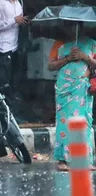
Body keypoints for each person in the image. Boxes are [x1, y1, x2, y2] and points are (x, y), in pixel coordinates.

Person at [47, 22, 96, 172]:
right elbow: (50, 66)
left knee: (83, 122)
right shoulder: (59, 43)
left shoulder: (91, 44)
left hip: (82, 88)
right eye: (70, 26)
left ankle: (84, 160)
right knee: (64, 122)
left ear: (81, 27)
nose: (73, 29)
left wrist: (84, 57)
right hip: (64, 89)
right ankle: (63, 160)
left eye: (76, 26)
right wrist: (67, 58)